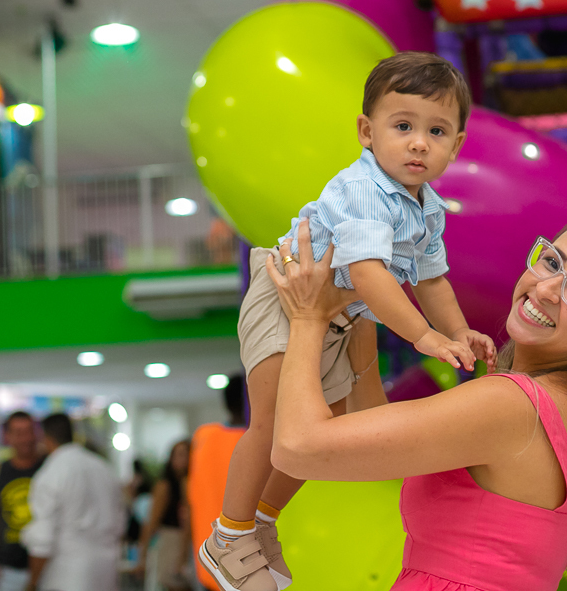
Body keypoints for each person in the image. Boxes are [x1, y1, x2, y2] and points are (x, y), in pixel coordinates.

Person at [201, 51, 496, 591]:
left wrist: (458, 332)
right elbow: (368, 276)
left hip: (332, 315)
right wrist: (426, 337)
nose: (418, 143)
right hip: (286, 293)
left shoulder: (427, 207)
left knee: (317, 429)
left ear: (455, 146)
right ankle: (229, 533)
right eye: (402, 126)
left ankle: (264, 518)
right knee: (271, 421)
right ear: (367, 131)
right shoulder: (364, 191)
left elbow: (432, 280)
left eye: (436, 131)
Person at [264, 211, 567, 591]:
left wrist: (307, 317)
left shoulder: (514, 406)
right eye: (552, 262)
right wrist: (364, 312)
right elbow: (379, 446)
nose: (547, 288)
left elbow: (296, 447)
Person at [20, 414, 124, 591]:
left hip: (67, 574)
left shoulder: (52, 472)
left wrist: (32, 582)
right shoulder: (103, 467)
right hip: (106, 570)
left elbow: (43, 539)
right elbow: (120, 520)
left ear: (45, 437)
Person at [0, 411, 42, 591]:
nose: (26, 438)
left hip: (47, 568)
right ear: (8, 436)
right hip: (8, 569)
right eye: (19, 433)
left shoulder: (49, 467)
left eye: (29, 431)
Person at [135, 441, 191, 591]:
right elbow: (151, 522)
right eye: (179, 454)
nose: (184, 459)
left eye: (187, 454)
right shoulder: (165, 486)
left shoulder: (191, 484)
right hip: (170, 542)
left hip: (189, 544)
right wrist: (142, 556)